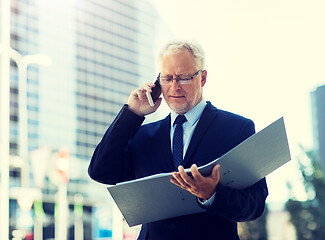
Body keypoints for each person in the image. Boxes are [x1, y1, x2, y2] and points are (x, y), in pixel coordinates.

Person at [88, 40, 268, 240]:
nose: (174, 87)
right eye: (167, 78)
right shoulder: (143, 135)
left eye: (183, 78)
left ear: (203, 78)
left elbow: (255, 204)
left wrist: (212, 195)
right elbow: (100, 171)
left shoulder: (237, 129)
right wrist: (131, 114)